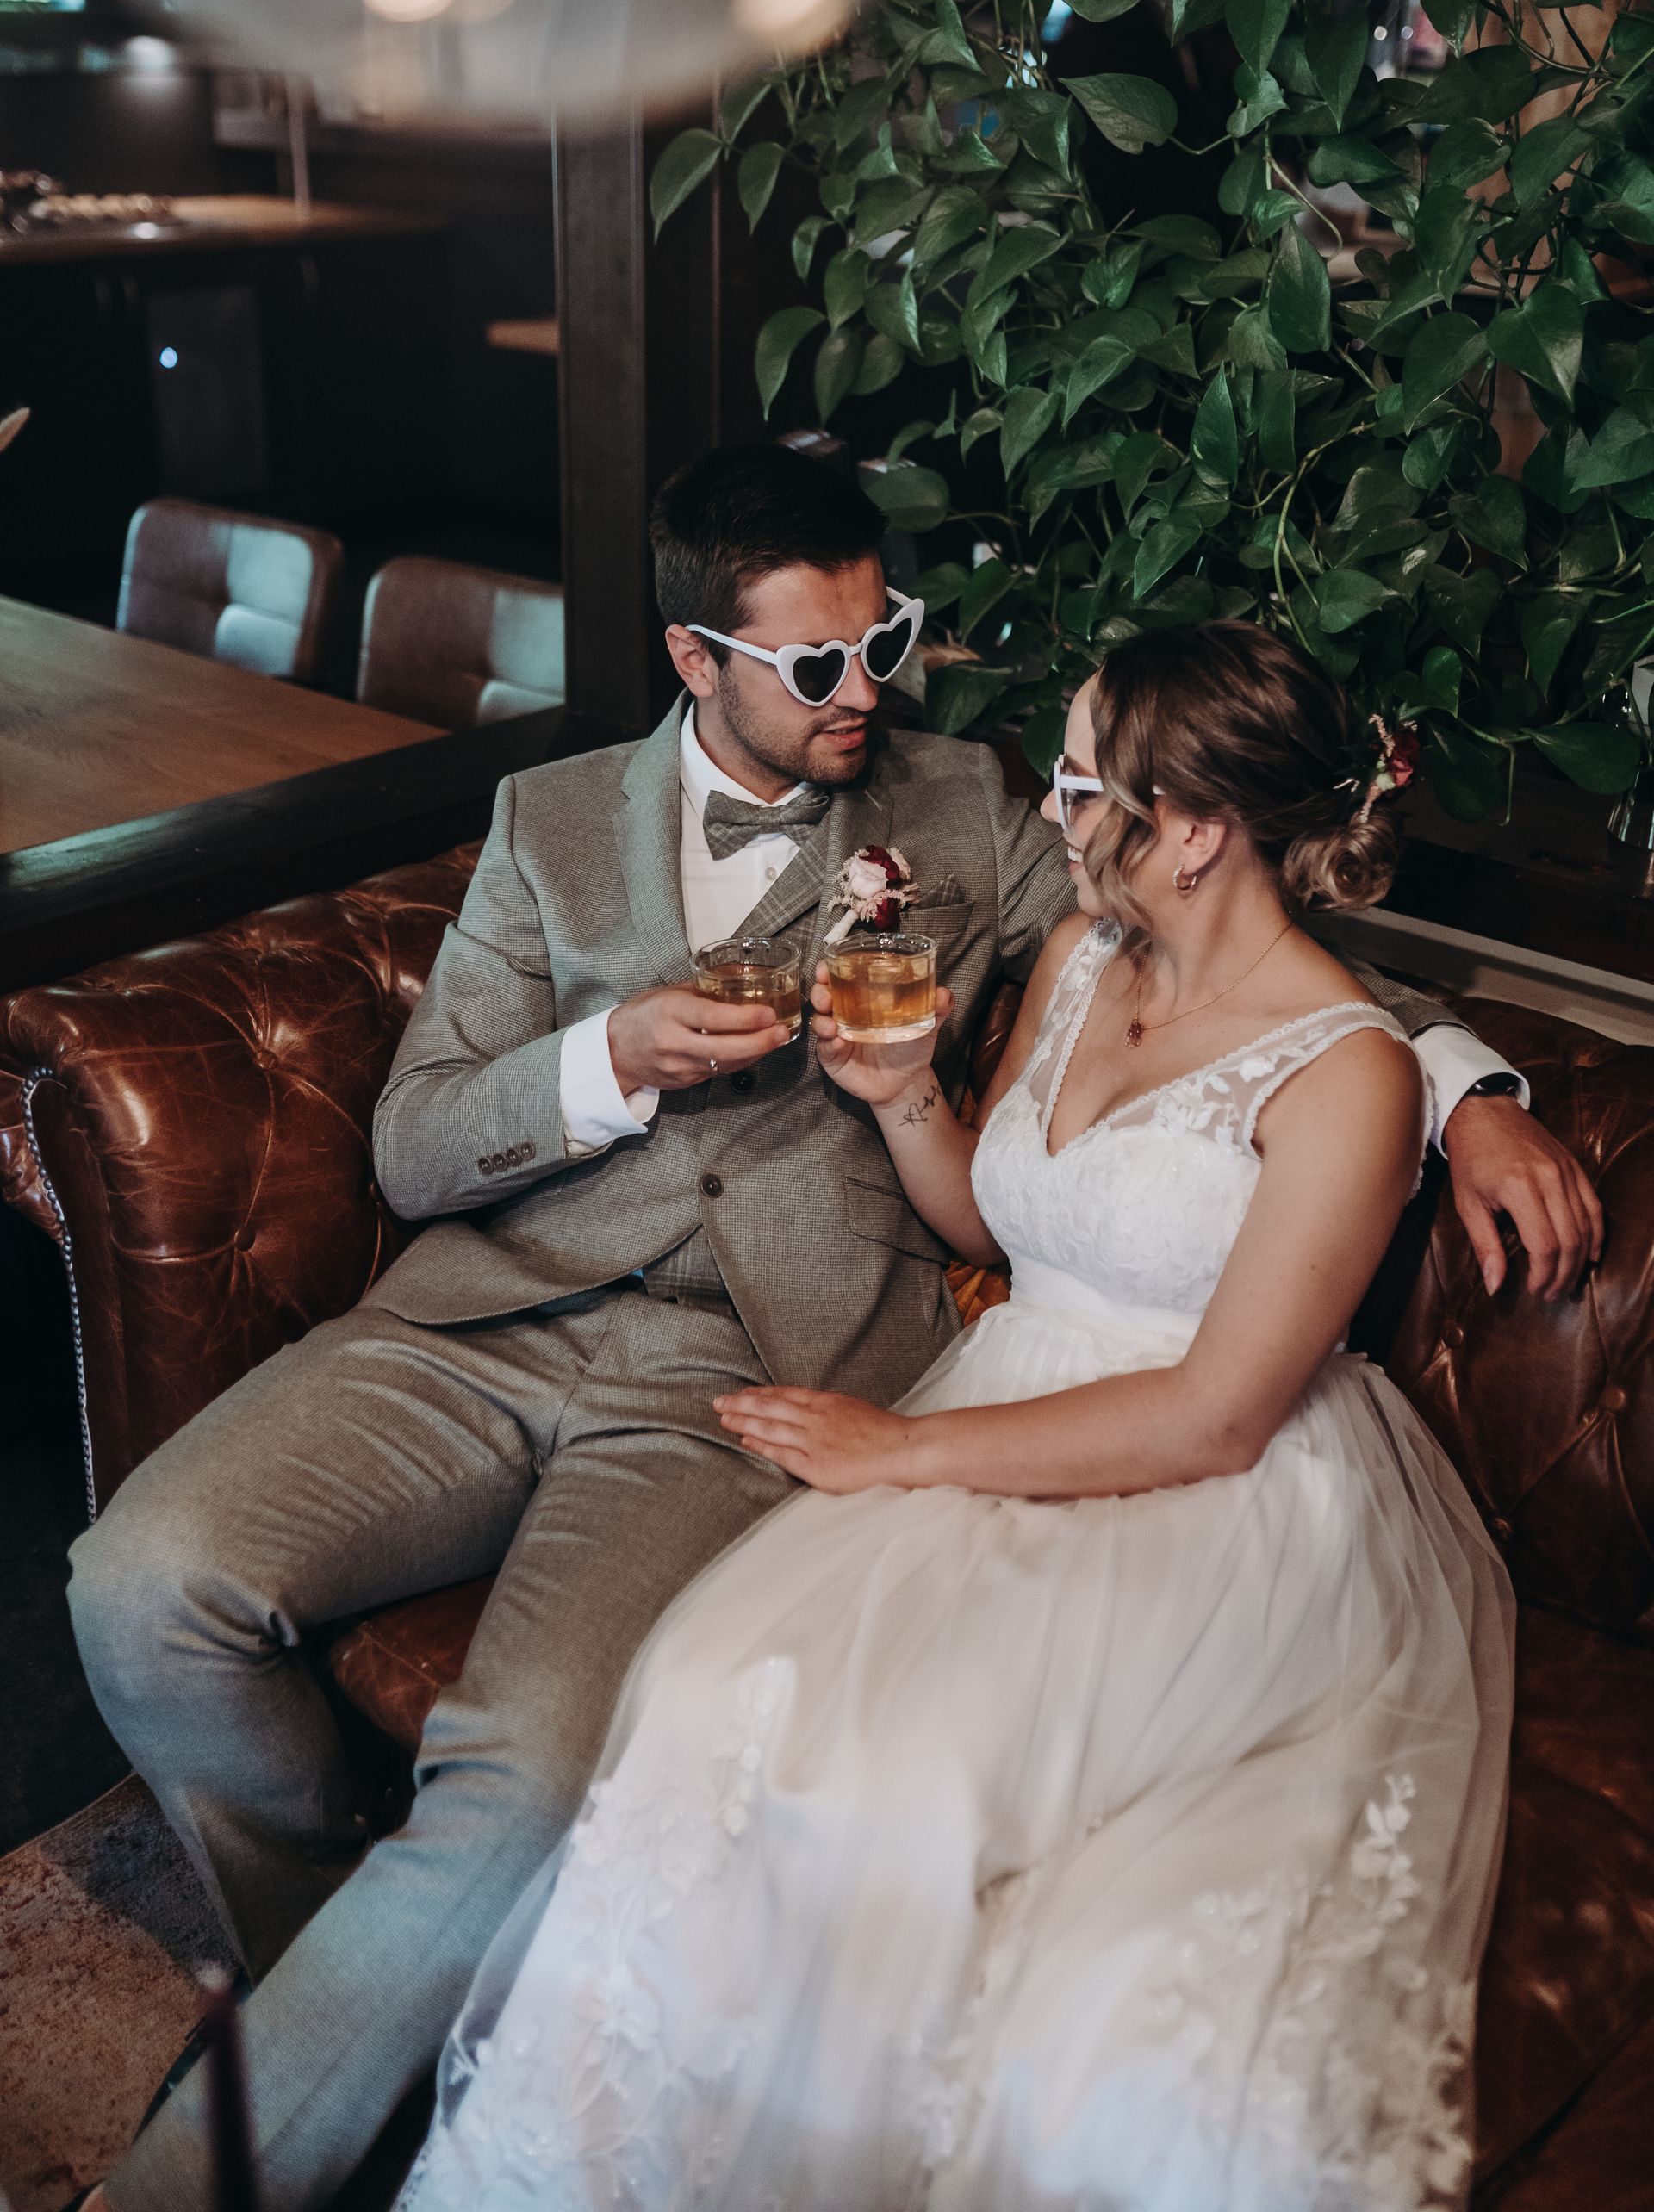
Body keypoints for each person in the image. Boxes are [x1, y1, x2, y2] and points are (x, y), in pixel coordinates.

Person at [65, 450, 1590, 2212]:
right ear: (694, 657)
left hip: (753, 1370)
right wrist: (603, 1061)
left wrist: (1469, 1088)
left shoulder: (970, 807)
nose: (866, 690)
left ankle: (207, 2165)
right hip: (485, 1320)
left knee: (541, 1771)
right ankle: (353, 1986)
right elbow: (414, 1143)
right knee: (138, 1592)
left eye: (887, 641)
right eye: (815, 664)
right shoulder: (547, 824)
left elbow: (1243, 929)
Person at [397, 622, 1520, 2211]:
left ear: (1197, 829)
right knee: (714, 1686)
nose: (1053, 811)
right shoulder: (1084, 961)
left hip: (1202, 1492)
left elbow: (1215, 1416)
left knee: (908, 1790)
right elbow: (1004, 1226)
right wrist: (907, 1095)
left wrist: (901, 1449)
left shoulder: (1351, 1076)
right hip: (1004, 1397)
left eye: (1084, 785)